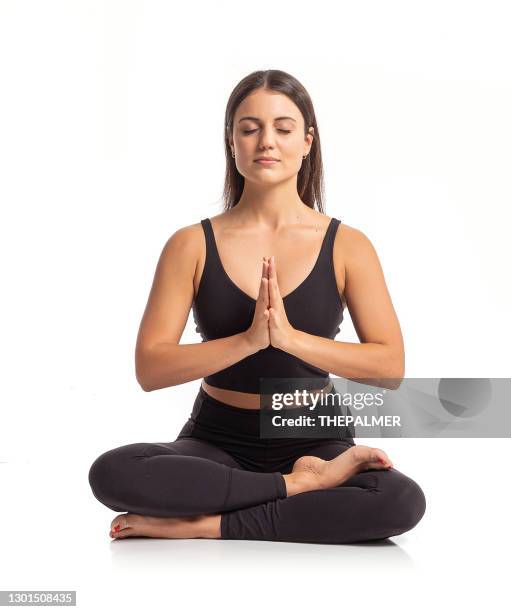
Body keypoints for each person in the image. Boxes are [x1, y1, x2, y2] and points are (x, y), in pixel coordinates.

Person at [88, 69, 426, 544]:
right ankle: (296, 489)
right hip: (218, 436)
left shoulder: (349, 245)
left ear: (308, 141)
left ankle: (212, 524)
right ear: (232, 141)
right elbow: (151, 368)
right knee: (114, 472)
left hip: (314, 434)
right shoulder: (191, 244)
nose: (266, 141)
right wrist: (248, 341)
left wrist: (290, 340)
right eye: (250, 128)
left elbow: (389, 366)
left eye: (284, 129)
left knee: (400, 500)